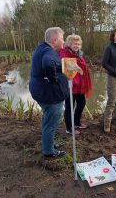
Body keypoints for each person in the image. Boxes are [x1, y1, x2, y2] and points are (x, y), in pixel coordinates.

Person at [29, 27, 69, 159]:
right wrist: (54, 80)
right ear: (54, 40)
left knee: (48, 120)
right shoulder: (49, 52)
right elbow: (47, 64)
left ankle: (49, 144)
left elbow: (51, 65)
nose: (63, 42)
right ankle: (48, 152)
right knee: (51, 123)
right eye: (62, 39)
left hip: (40, 91)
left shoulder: (42, 49)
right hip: (49, 95)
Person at [60, 34, 92, 135]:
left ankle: (76, 122)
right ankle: (69, 128)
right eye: (74, 43)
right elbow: (67, 68)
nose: (76, 45)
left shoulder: (79, 54)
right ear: (69, 44)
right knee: (69, 107)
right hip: (70, 86)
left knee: (82, 103)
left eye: (78, 43)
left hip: (80, 86)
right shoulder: (64, 54)